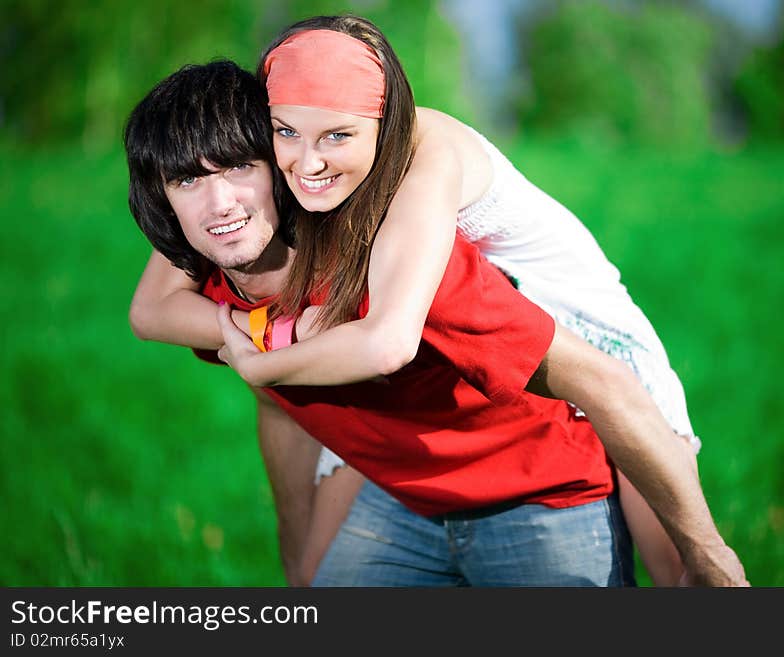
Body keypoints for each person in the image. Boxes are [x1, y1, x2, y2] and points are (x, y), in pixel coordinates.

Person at [137, 15, 713, 585]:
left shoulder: (416, 190)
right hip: (409, 480)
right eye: (288, 134)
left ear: (381, 129)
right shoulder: (231, 230)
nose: (308, 163)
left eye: (337, 136)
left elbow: (388, 341)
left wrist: (264, 357)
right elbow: (152, 309)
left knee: (680, 563)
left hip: (564, 322)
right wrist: (256, 328)